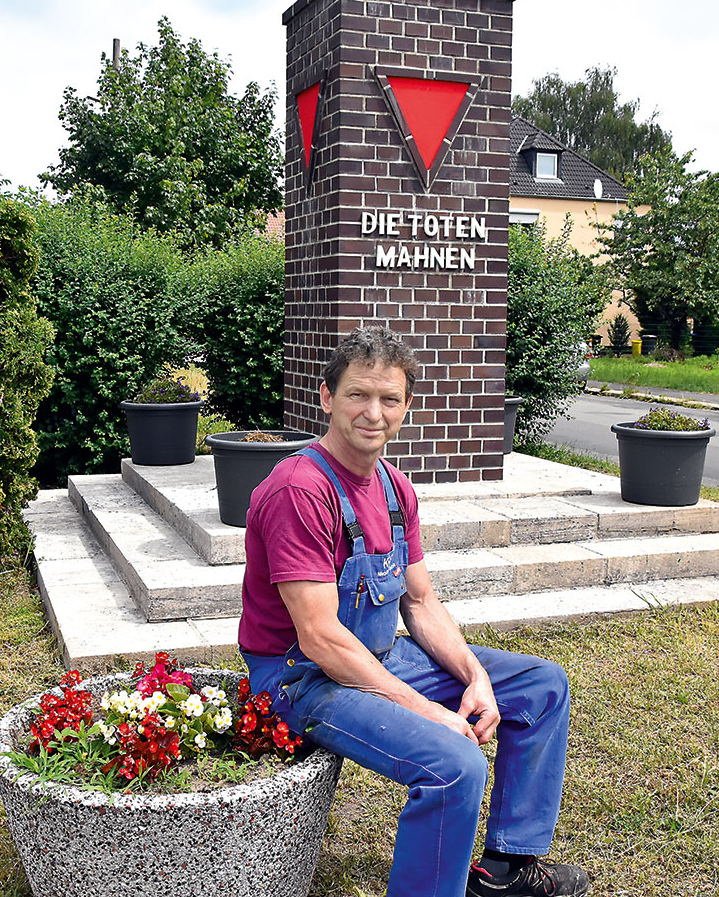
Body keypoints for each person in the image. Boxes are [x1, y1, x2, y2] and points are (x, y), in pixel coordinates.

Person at [238, 325, 589, 897]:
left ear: (405, 407)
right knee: (454, 764)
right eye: (358, 394)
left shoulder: (395, 488)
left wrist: (475, 678)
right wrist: (428, 709)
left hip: (381, 655)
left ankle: (506, 872)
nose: (372, 412)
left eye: (389, 399)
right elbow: (321, 637)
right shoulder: (298, 490)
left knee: (540, 685)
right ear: (327, 398)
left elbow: (421, 602)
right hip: (300, 676)